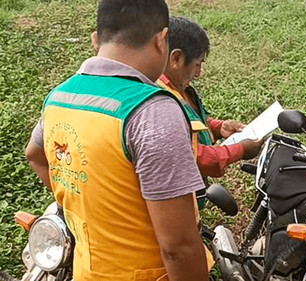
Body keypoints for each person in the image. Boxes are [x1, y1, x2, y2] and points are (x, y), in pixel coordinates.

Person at [24, 1, 208, 280]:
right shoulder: (152, 111)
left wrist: (87, 204)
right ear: (162, 40)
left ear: (95, 40)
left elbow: (35, 155)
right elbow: (178, 248)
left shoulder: (59, 98)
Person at [157, 17, 264, 178]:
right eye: (197, 64)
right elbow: (191, 157)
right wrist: (240, 150)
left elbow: (191, 123)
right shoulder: (160, 102)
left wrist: (218, 128)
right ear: (176, 58)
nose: (199, 73)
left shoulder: (178, 88)